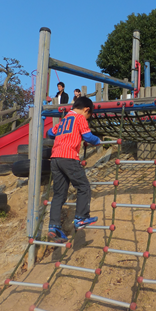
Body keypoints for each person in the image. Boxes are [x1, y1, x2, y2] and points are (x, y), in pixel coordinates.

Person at [46, 96, 100, 242]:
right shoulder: (80, 118)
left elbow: (50, 133)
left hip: (55, 158)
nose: (87, 118)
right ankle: (81, 218)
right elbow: (88, 137)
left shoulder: (64, 120)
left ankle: (54, 227)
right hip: (69, 157)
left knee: (59, 194)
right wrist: (98, 141)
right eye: (88, 116)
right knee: (83, 186)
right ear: (86, 109)